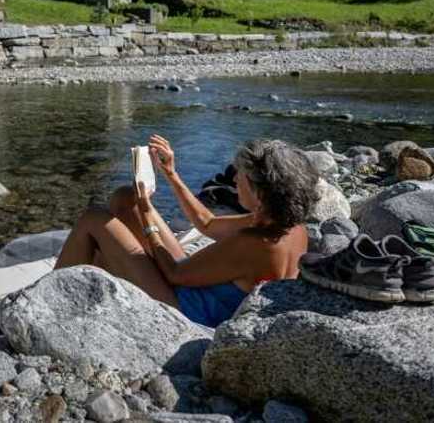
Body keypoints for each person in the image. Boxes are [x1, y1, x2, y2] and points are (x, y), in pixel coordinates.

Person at [55, 135, 319, 327]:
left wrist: (148, 215)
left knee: (95, 219)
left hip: (184, 311)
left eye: (242, 176)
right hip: (199, 290)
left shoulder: (255, 242)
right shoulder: (288, 227)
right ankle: (97, 271)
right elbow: (206, 224)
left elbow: (174, 273)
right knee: (127, 198)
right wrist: (171, 173)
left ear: (260, 193)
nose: (235, 179)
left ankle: (48, 298)